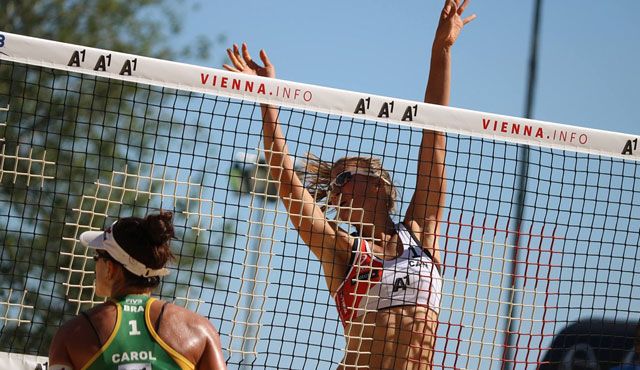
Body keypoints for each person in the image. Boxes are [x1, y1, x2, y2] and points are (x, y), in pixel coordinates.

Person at [224, 0, 474, 367]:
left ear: (378, 186)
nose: (334, 189)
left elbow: (434, 136)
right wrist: (268, 101)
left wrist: (442, 50)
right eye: (333, 183)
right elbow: (288, 182)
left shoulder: (422, 233)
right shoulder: (342, 249)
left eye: (343, 178)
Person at [48, 211, 227, 370]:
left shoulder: (73, 334)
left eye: (97, 257)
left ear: (110, 268)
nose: (94, 264)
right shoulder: (198, 329)